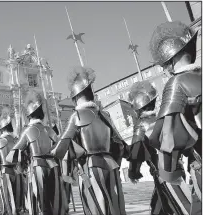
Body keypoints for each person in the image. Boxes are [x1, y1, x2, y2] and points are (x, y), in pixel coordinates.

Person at [51, 66, 128, 215]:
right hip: (111, 166)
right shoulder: (105, 115)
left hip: (90, 168)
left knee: (95, 207)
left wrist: (51, 153)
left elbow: (62, 147)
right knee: (115, 208)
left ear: (76, 96)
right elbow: (120, 146)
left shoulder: (77, 116)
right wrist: (116, 163)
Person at [148, 21, 201, 214]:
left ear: (171, 59)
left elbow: (167, 135)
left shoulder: (176, 82)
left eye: (165, 64)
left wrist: (168, 174)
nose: (164, 69)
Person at [6, 89, 68, 215]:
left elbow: (11, 156)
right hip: (54, 167)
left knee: (41, 203)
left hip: (37, 167)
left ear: (29, 116)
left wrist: (23, 161)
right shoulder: (49, 130)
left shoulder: (28, 131)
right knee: (54, 202)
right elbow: (61, 148)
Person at [128, 80, 185, 214]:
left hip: (162, 175)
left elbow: (135, 152)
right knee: (158, 207)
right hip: (178, 170)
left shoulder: (140, 127)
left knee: (173, 208)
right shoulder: (164, 117)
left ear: (138, 107)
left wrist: (133, 173)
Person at [0, 110, 23, 215]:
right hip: (17, 172)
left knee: (6, 199)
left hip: (5, 172)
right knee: (16, 197)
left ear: (2, 129)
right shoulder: (17, 140)